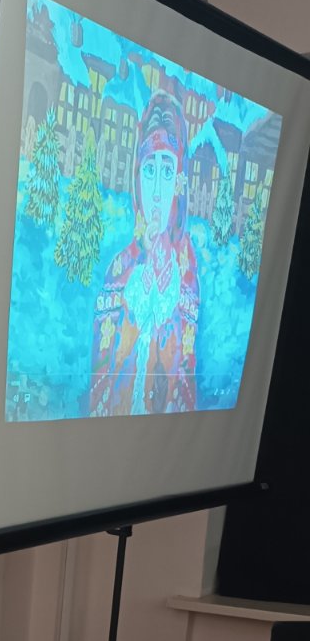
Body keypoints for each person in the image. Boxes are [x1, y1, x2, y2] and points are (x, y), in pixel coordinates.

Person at [89, 90, 199, 417]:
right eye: (150, 170)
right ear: (138, 179)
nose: (157, 193)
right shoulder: (120, 268)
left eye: (167, 171)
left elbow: (186, 386)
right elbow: (99, 380)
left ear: (178, 182)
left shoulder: (187, 274)